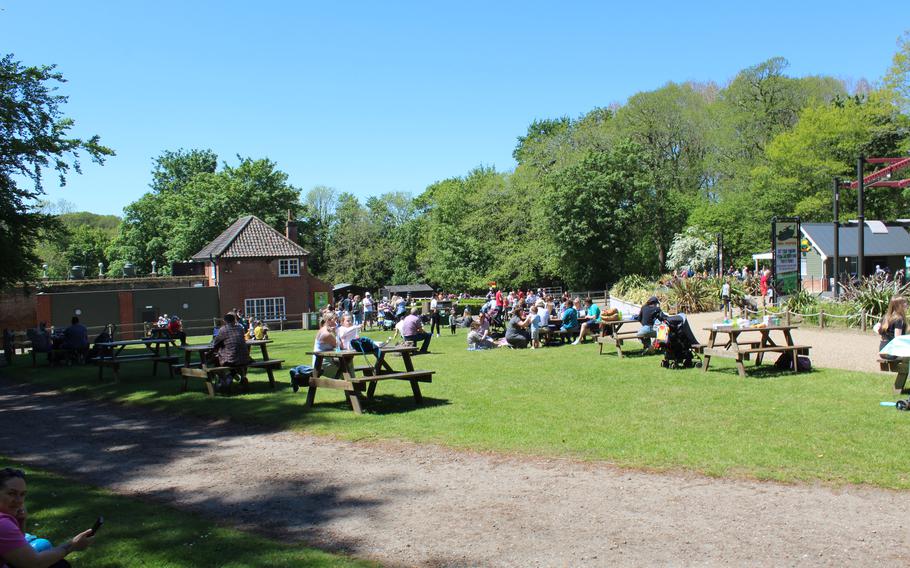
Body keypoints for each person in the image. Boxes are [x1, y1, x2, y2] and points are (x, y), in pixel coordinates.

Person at [0, 467, 94, 567]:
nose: (19, 500)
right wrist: (71, 546)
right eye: (11, 493)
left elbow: (15, 549)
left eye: (22, 494)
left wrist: (21, 521)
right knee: (59, 565)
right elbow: (33, 564)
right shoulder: (2, 523)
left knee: (44, 547)